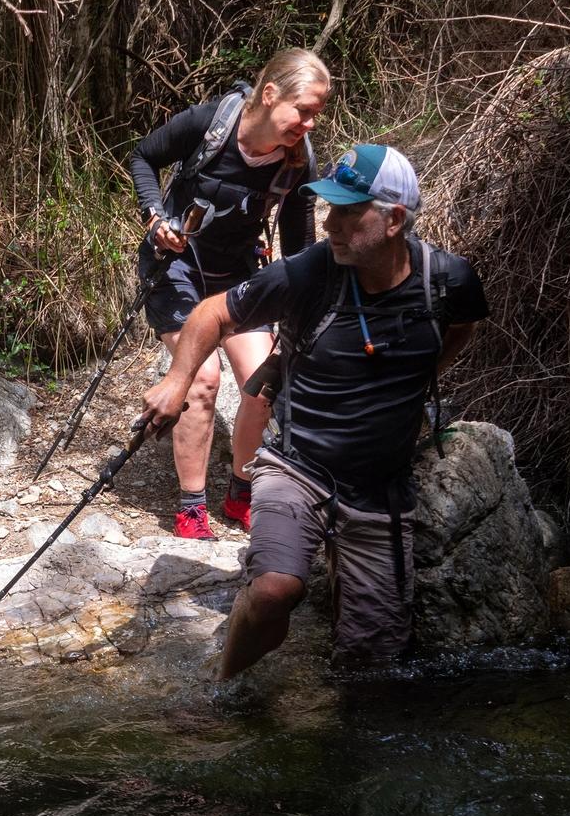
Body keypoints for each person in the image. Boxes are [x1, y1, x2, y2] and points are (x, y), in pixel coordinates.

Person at [140, 143, 488, 676]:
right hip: (295, 468)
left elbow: (460, 328)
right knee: (276, 590)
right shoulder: (311, 273)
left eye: (349, 212)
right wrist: (177, 378)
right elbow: (213, 312)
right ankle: (225, 689)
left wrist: (417, 379)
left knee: (375, 663)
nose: (332, 224)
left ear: (394, 219)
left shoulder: (448, 281)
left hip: (382, 488)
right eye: (329, 209)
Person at [127, 49, 331, 541]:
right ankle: (191, 508)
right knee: (201, 378)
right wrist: (156, 218)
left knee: (261, 382)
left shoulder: (297, 159)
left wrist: (296, 311)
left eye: (316, 114)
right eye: (302, 110)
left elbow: (299, 239)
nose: (308, 123)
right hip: (175, 266)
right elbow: (142, 156)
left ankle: (241, 493)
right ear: (269, 95)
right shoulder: (210, 122)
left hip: (238, 273)